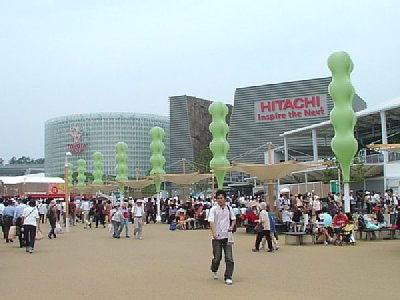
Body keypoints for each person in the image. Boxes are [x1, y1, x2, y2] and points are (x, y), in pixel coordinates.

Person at [208, 190, 236, 285]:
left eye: (221, 198)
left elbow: (233, 219)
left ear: (225, 199)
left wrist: (231, 226)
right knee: (217, 257)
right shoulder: (213, 210)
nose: (220, 200)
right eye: (218, 198)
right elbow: (211, 222)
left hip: (227, 236)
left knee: (229, 257)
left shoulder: (229, 208)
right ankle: (214, 269)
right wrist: (213, 233)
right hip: (217, 237)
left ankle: (228, 276)